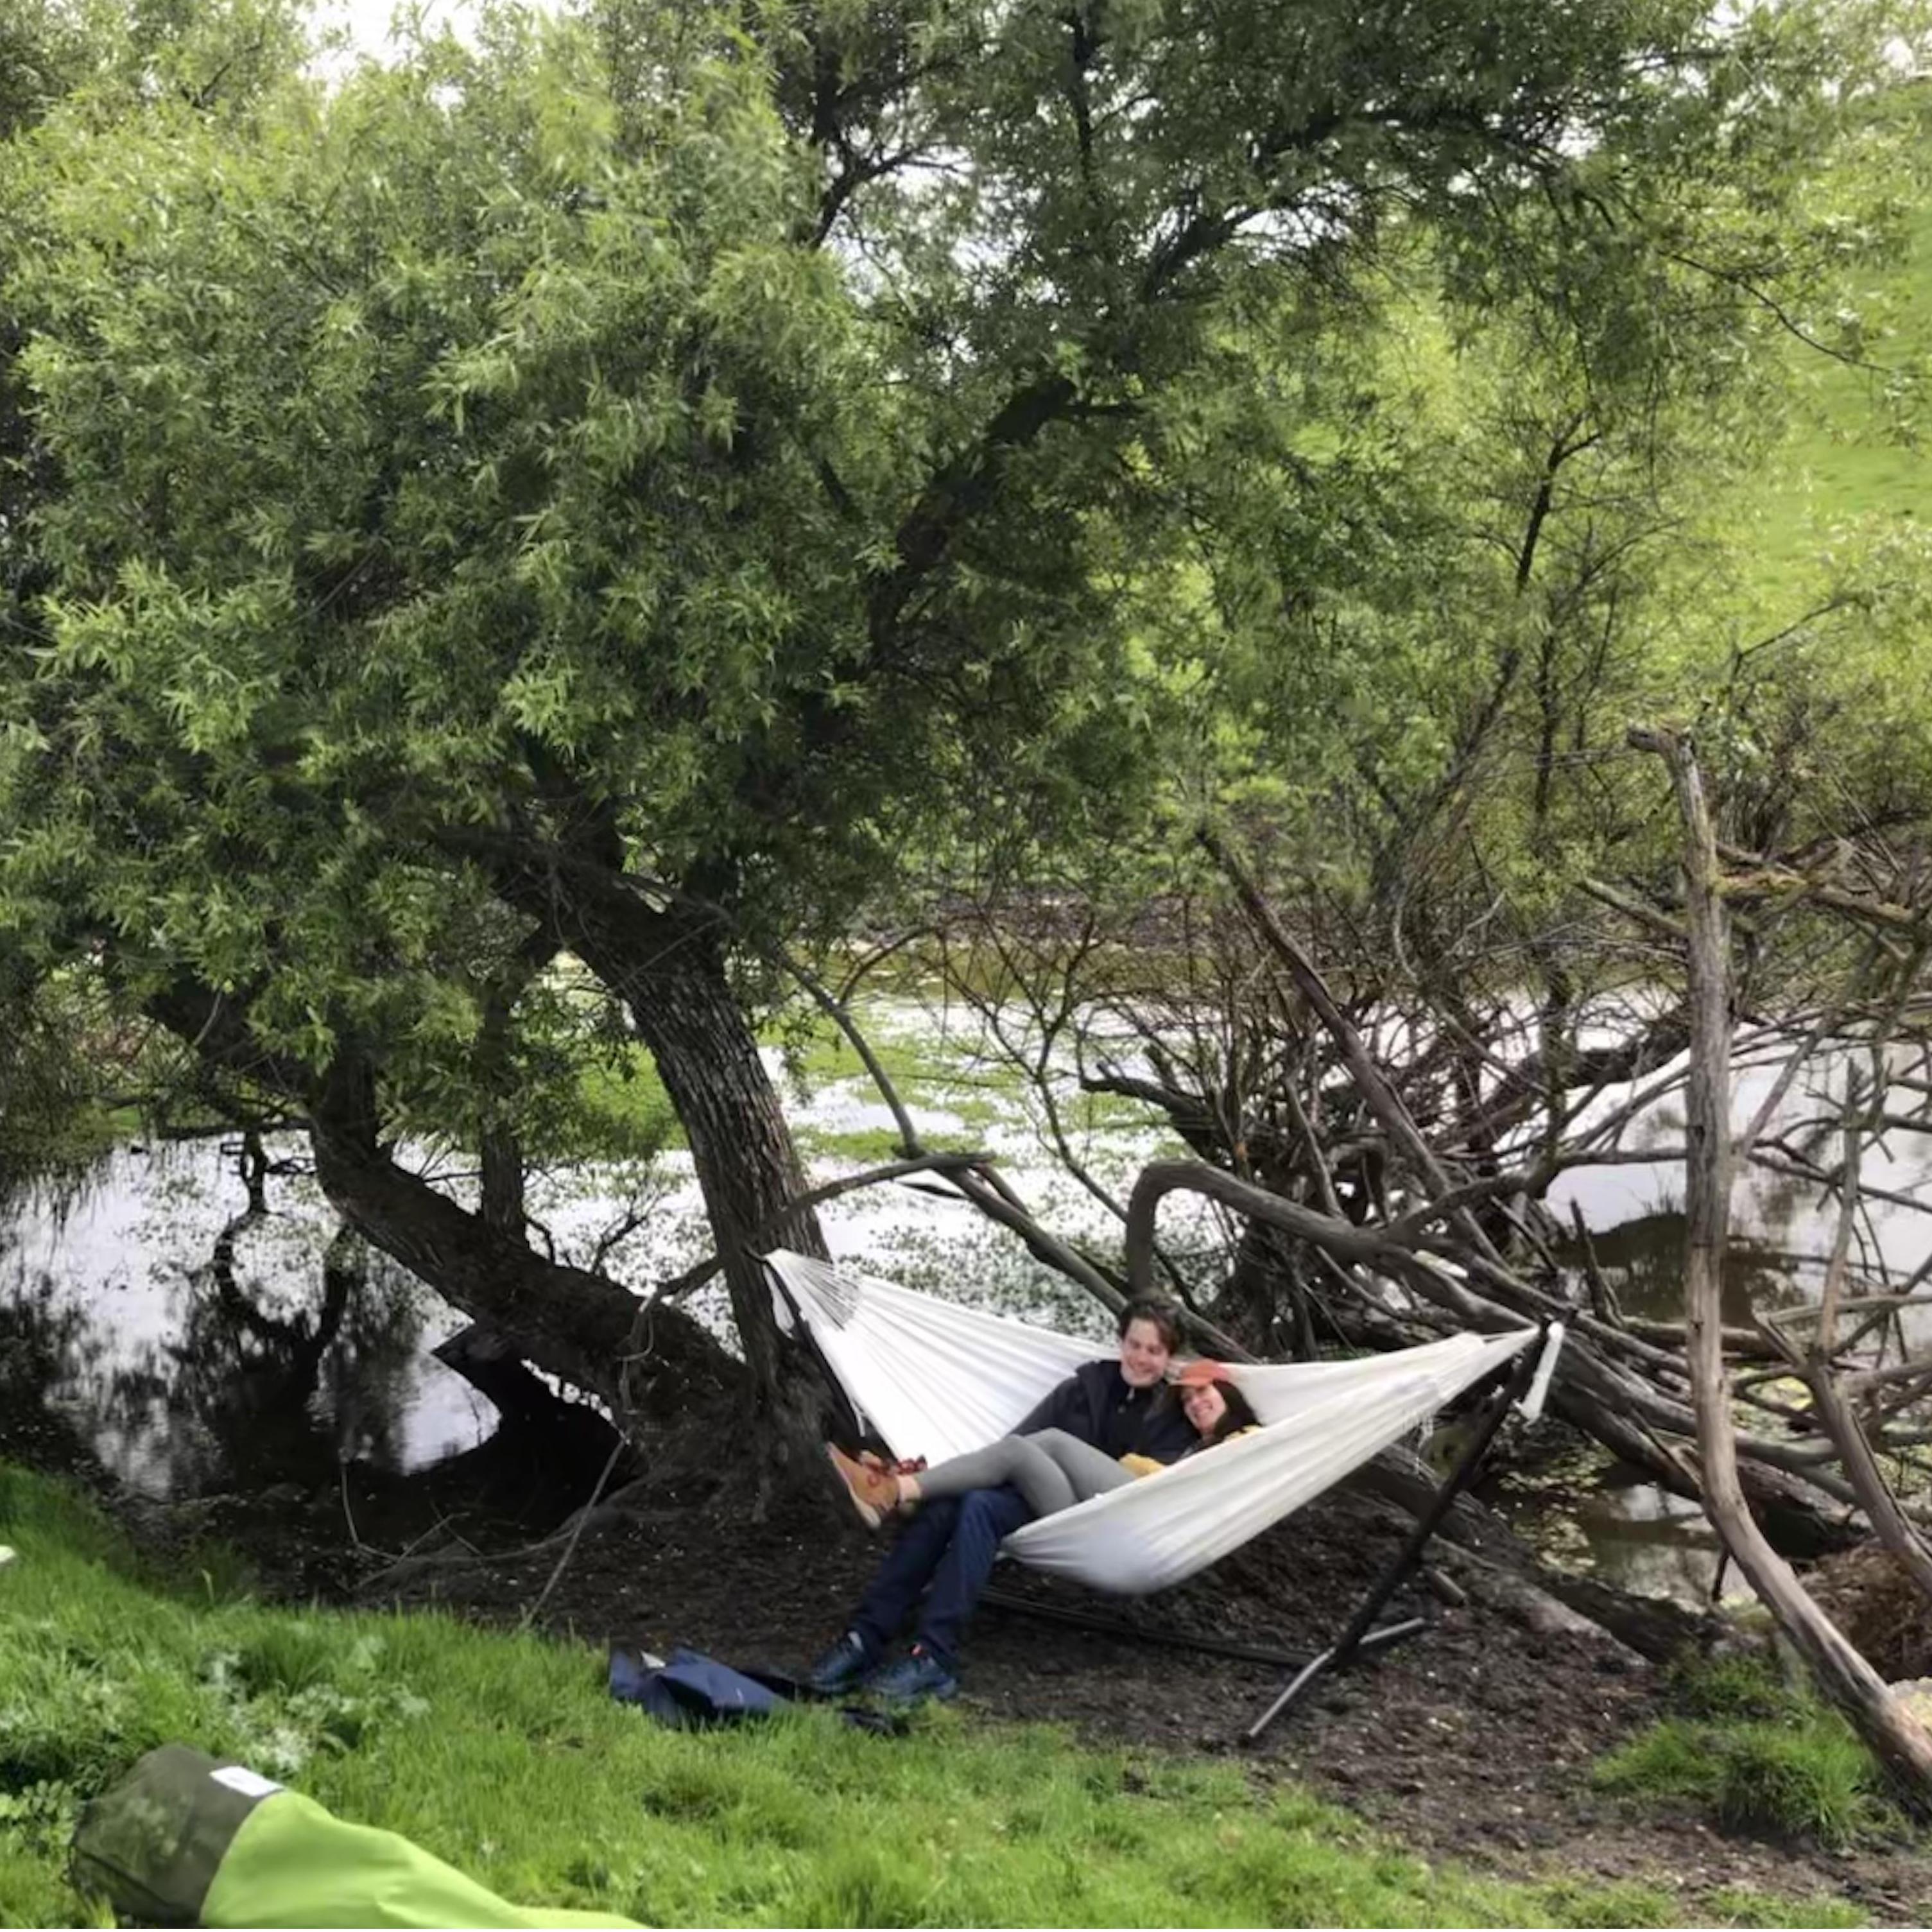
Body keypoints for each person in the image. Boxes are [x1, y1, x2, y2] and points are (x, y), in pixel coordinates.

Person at [803, 1300, 1219, 1706]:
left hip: (1102, 1528)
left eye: (1154, 1350)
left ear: (1169, 1357)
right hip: (1040, 1505)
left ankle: (898, 1493)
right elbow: (1011, 1449)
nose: (1141, 1358)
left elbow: (1157, 1489)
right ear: (1120, 1341)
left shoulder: (1172, 1412)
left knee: (999, 1473)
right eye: (1134, 1344)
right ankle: (874, 1642)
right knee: (965, 1505)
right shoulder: (1085, 1386)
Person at [826, 1359, 1259, 1528]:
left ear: (1231, 1395)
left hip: (1141, 1519)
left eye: (1204, 1393)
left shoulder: (1249, 1440)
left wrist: (1135, 1463)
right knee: (1021, 1453)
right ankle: (906, 1491)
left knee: (1047, 1440)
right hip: (1110, 1513)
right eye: (1189, 1398)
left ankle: (897, 1489)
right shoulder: (1196, 1442)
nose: (1195, 1403)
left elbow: (1186, 1483)